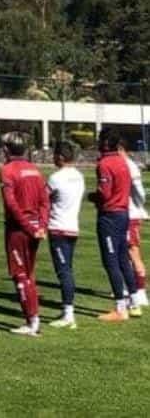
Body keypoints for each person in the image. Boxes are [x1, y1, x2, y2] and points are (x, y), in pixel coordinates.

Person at [89, 128, 142, 320]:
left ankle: (120, 307)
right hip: (123, 213)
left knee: (110, 261)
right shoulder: (123, 162)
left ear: (104, 143)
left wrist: (92, 197)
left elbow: (104, 192)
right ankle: (135, 302)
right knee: (122, 259)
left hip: (109, 216)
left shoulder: (105, 164)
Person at [0, 132, 49, 336]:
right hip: (35, 227)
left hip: (19, 229)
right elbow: (45, 201)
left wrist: (28, 227)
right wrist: (41, 226)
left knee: (20, 274)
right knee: (28, 273)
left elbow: (11, 204)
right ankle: (33, 318)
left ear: (6, 149)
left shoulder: (7, 170)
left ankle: (32, 322)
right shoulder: (35, 170)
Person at [46, 141, 85, 329]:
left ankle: (69, 314)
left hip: (58, 228)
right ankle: (67, 309)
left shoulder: (55, 178)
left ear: (60, 157)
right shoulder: (79, 176)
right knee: (67, 269)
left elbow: (43, 199)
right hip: (72, 227)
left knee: (64, 271)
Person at [119, 138, 149, 307]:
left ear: (121, 149)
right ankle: (128, 287)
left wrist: (138, 207)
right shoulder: (122, 165)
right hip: (125, 214)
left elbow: (140, 193)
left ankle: (141, 292)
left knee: (133, 252)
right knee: (124, 253)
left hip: (131, 215)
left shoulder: (130, 166)